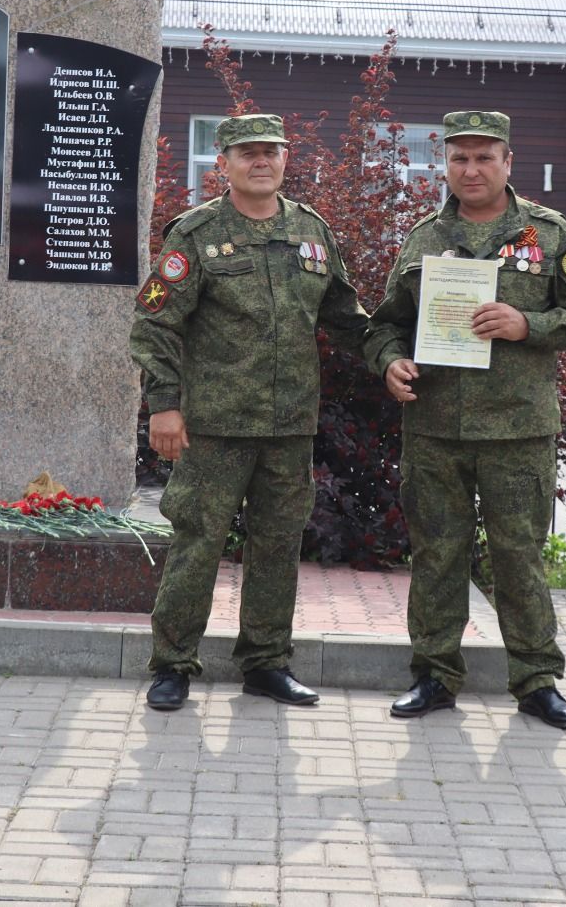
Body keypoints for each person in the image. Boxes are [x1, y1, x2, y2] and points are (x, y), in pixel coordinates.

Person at [366, 110, 566, 730]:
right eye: (459, 158)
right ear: (444, 164)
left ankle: (536, 680)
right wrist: (391, 362)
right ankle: (433, 674)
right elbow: (386, 323)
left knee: (518, 557)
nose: (471, 169)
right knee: (437, 554)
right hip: (434, 427)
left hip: (516, 430)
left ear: (508, 162)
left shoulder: (549, 235)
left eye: (484, 157)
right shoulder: (423, 237)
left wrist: (530, 325)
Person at [130, 113, 369, 711]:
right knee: (197, 543)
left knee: (278, 546)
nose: (261, 162)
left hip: (289, 427)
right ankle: (173, 663)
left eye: (271, 151)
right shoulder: (197, 233)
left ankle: (266, 662)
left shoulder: (312, 232)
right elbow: (156, 321)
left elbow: (345, 317)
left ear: (286, 158)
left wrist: (394, 355)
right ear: (225, 164)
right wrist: (165, 405)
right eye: (247, 153)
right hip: (214, 428)